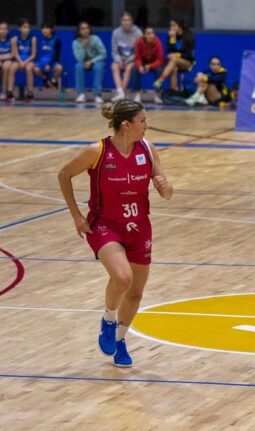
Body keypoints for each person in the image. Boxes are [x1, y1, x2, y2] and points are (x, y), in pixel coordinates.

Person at [57, 99, 173, 367]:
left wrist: (164, 186)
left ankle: (120, 340)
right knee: (122, 278)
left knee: (135, 293)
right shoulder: (97, 150)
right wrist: (76, 214)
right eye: (142, 120)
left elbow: (167, 193)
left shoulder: (148, 148)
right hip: (105, 225)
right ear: (126, 125)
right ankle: (108, 319)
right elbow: (64, 174)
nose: (146, 125)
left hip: (139, 225)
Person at [153, 19, 195, 92]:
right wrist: (173, 39)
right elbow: (170, 52)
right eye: (170, 26)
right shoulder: (171, 37)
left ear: (180, 27)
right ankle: (174, 91)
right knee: (174, 68)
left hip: (187, 63)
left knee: (174, 60)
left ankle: (160, 80)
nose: (171, 28)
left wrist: (177, 55)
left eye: (174, 25)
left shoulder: (188, 36)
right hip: (173, 63)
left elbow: (189, 54)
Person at [72, 21, 107, 104]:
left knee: (98, 67)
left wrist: (91, 61)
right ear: (79, 31)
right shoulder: (75, 43)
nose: (86, 30)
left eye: (87, 28)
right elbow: (79, 58)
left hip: (97, 61)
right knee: (78, 66)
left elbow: (103, 54)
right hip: (83, 62)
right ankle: (80, 94)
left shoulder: (95, 39)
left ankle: (97, 94)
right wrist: (83, 46)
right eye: (83, 29)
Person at [111, 12, 142, 102]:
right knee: (114, 66)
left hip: (132, 59)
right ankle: (120, 91)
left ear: (132, 22)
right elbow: (114, 51)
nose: (126, 22)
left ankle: (122, 93)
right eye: (124, 20)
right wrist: (119, 61)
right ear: (121, 22)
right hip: (120, 59)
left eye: (128, 20)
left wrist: (128, 61)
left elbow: (138, 52)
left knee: (128, 69)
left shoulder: (138, 33)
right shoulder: (116, 33)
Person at [134, 26, 165, 104]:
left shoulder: (158, 43)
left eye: (152, 33)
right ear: (144, 35)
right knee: (135, 69)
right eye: (148, 34)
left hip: (154, 64)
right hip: (144, 63)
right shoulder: (139, 42)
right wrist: (140, 66)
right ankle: (137, 93)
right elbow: (137, 57)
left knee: (159, 70)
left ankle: (157, 94)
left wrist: (150, 66)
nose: (151, 35)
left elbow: (160, 60)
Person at [10, 18, 37, 101]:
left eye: (28, 28)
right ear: (19, 28)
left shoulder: (33, 39)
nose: (26, 29)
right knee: (12, 68)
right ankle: (10, 92)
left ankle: (30, 92)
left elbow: (33, 55)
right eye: (24, 27)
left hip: (29, 60)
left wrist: (24, 62)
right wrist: (20, 62)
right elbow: (15, 53)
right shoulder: (15, 39)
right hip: (19, 60)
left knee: (29, 69)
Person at [33, 23, 63, 89]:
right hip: (43, 61)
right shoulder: (41, 40)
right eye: (43, 28)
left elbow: (57, 55)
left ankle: (54, 80)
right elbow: (40, 55)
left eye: (47, 28)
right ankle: (45, 78)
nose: (44, 30)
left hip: (53, 61)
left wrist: (49, 64)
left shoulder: (56, 40)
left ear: (51, 30)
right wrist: (40, 63)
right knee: (35, 69)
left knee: (59, 68)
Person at [0, 21, 17, 101]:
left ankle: (5, 91)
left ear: (8, 30)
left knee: (6, 66)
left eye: (5, 29)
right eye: (1, 29)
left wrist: (3, 58)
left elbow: (13, 54)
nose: (3, 31)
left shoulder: (12, 40)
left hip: (8, 59)